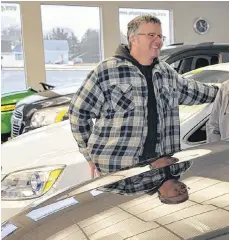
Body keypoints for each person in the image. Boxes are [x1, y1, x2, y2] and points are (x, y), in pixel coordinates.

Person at [68, 15, 218, 204]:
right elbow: (78, 112)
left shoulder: (165, 72)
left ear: (162, 195)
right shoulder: (107, 71)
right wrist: (88, 155)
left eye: (161, 36)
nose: (158, 41)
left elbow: (196, 92)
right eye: (151, 35)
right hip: (119, 171)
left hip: (161, 162)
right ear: (133, 38)